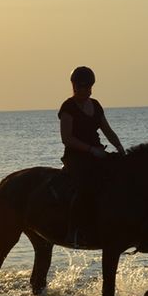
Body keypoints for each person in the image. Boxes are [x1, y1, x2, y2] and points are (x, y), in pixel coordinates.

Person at [58, 66, 125, 244]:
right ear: (74, 86)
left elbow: (107, 131)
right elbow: (67, 138)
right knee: (85, 186)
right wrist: (90, 149)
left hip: (97, 153)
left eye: (87, 88)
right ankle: (73, 231)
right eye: (80, 88)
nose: (84, 91)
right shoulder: (68, 107)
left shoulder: (95, 105)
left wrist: (119, 147)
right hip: (76, 156)